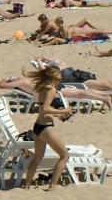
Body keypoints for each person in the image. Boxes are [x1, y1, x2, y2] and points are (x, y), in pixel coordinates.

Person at [18, 63, 76, 191]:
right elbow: (45, 109)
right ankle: (52, 186)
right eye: (60, 73)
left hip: (38, 126)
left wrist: (59, 115)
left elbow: (43, 108)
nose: (61, 75)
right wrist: (64, 111)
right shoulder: (51, 89)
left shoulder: (43, 87)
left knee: (37, 158)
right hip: (46, 128)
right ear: (54, 76)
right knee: (65, 155)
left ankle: (26, 186)